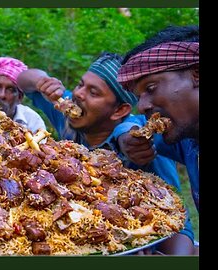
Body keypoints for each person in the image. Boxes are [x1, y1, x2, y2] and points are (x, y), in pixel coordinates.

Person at [17, 52, 195, 255]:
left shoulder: (142, 147)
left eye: (94, 92)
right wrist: (43, 81)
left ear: (119, 111)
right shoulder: (68, 116)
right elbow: (23, 79)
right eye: (80, 84)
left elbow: (176, 220)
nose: (78, 94)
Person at [116, 25, 199, 254]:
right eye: (138, 96)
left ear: (197, 74)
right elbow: (132, 124)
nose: (142, 105)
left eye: (151, 88)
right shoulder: (190, 143)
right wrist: (126, 137)